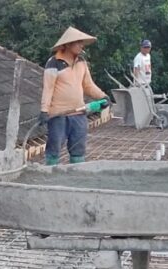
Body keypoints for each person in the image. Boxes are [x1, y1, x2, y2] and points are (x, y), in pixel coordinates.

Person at [39, 26, 109, 166]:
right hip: (59, 115)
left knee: (78, 150)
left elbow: (88, 85)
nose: (81, 45)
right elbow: (48, 89)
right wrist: (44, 110)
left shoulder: (81, 61)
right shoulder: (54, 62)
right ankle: (50, 179)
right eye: (78, 42)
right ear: (68, 44)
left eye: (81, 42)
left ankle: (76, 177)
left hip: (79, 113)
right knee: (54, 149)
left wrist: (103, 96)